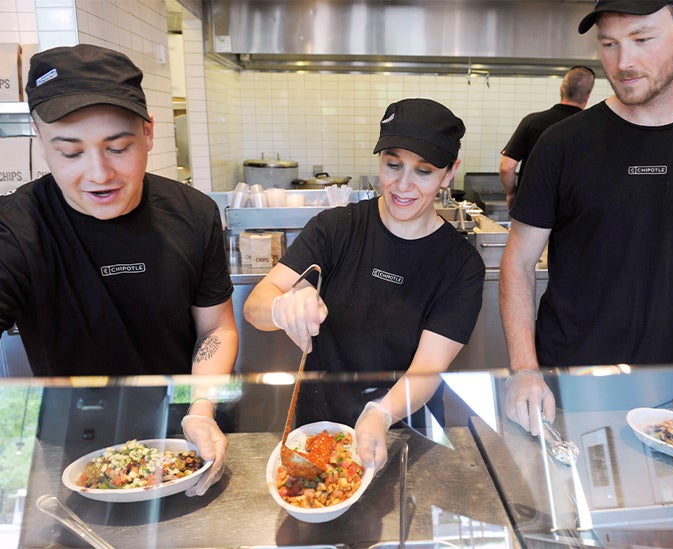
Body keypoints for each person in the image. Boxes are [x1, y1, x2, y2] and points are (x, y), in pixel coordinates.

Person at [0, 44, 239, 495]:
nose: (99, 174)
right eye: (70, 153)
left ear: (148, 133)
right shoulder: (14, 229)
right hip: (70, 446)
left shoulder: (194, 212)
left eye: (118, 147)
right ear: (37, 135)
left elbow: (216, 329)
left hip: (185, 435)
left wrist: (201, 409)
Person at [499, 0, 673, 436]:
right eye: (609, 44)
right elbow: (517, 263)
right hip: (567, 390)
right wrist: (524, 370)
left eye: (643, 39)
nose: (624, 62)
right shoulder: (561, 144)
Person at [243, 98, 485, 470]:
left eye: (423, 171)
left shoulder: (460, 264)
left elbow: (428, 368)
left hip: (404, 433)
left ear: (449, 173)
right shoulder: (336, 228)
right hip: (318, 428)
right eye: (392, 165)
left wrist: (380, 413)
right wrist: (281, 307)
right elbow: (256, 305)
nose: (403, 185)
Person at [499, 65, 595, 209]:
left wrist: (512, 193)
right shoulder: (593, 128)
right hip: (574, 212)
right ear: (587, 96)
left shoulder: (532, 121)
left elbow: (507, 167)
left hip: (531, 208)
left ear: (562, 90)